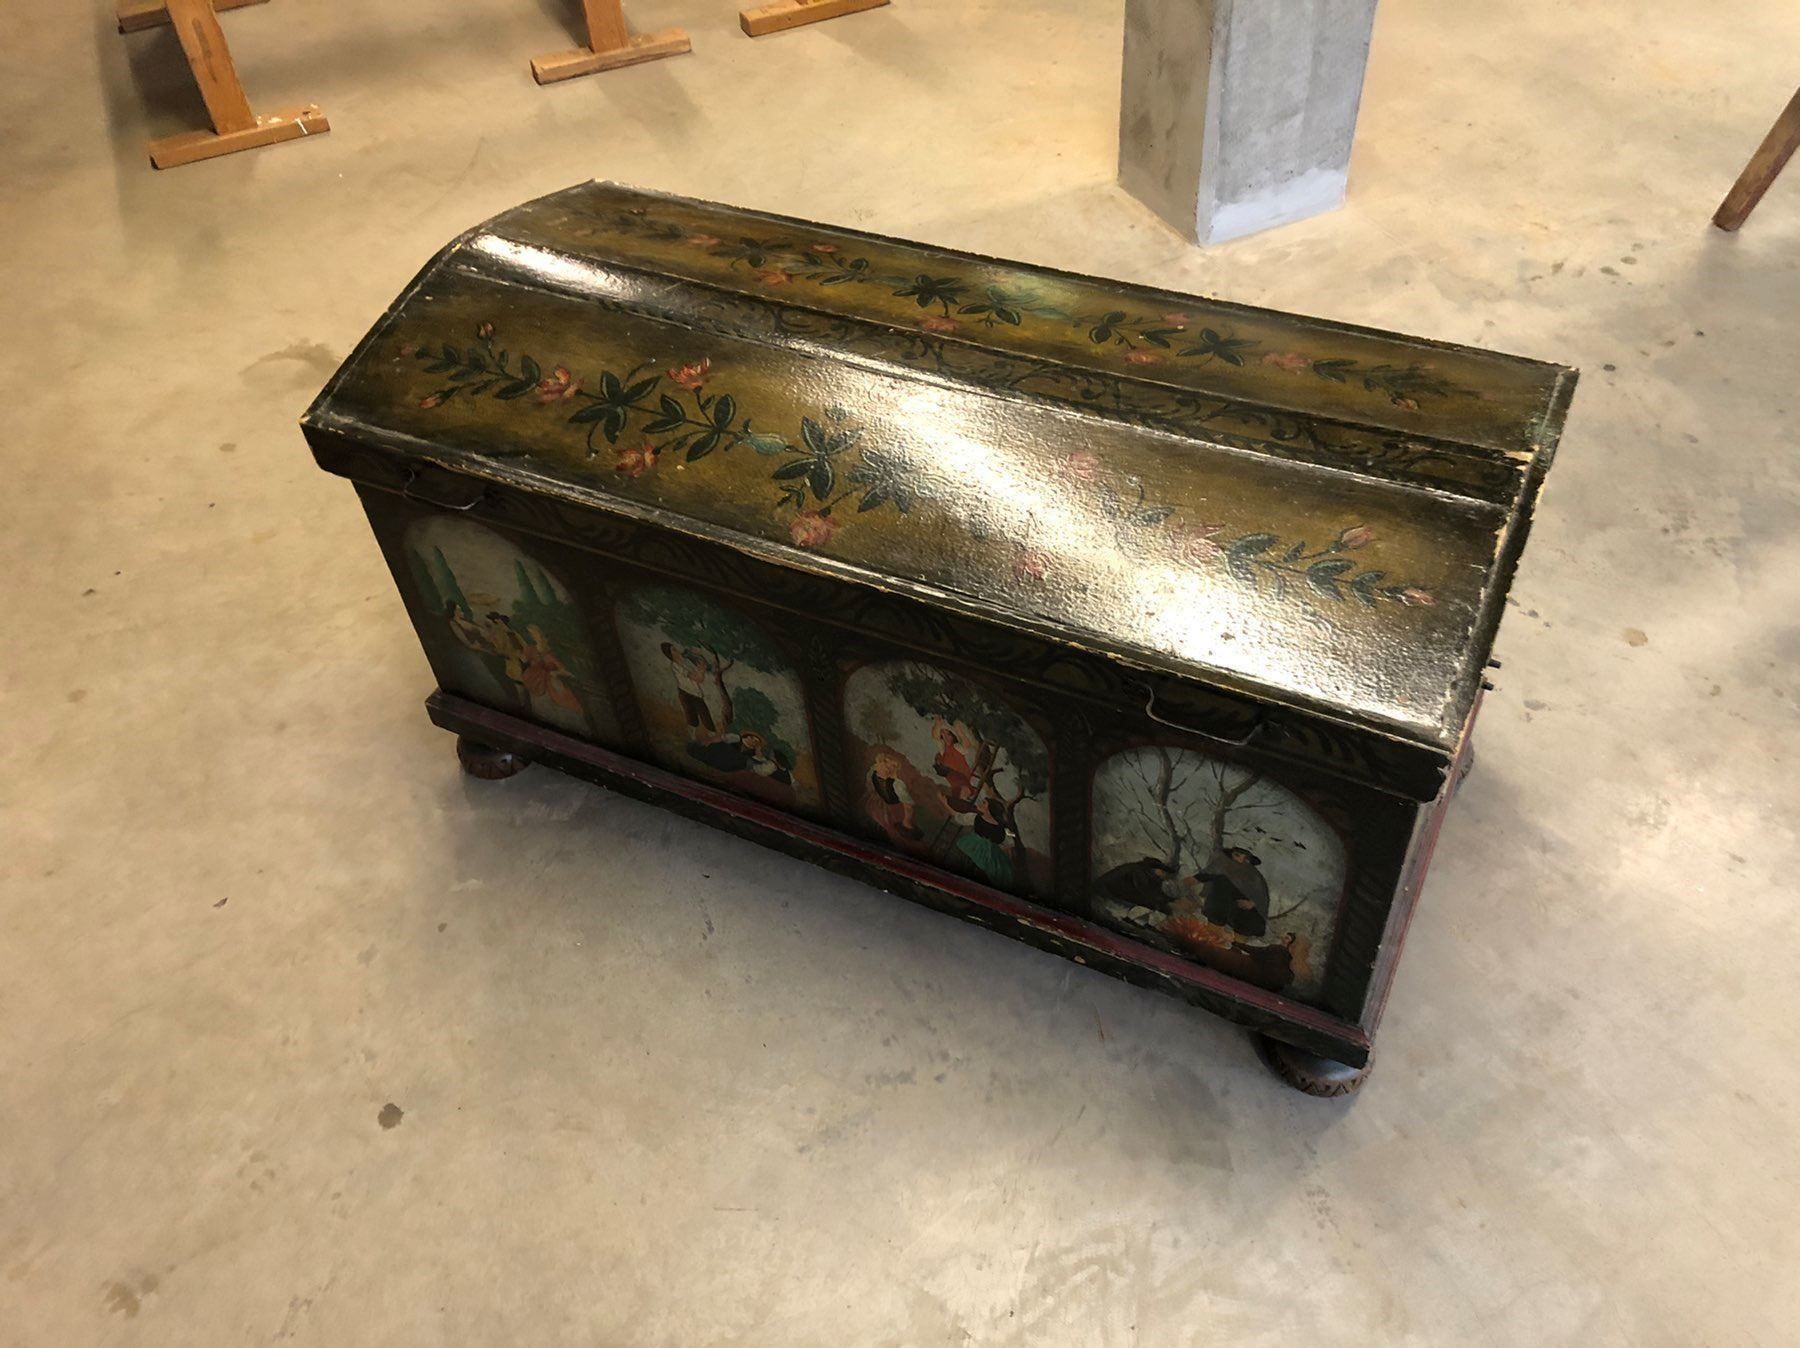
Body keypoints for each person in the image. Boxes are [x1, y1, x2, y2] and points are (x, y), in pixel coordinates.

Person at [1192, 846, 1270, 939]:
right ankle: (1212, 931)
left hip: (1244, 910)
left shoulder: (1255, 876)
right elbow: (1206, 875)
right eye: (1237, 855)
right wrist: (1191, 881)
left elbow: (1262, 897)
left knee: (1247, 923)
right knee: (1222, 885)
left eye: (1245, 858)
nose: (1240, 860)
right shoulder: (1223, 867)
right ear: (1231, 855)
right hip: (1223, 906)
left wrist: (1252, 903)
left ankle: (1239, 941)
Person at [952, 791, 1015, 889]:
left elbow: (1011, 840)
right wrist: (944, 803)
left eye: (984, 803)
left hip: (991, 852)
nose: (981, 804)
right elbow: (959, 818)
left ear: (989, 809)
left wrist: (1004, 848)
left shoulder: (1002, 827)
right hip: (975, 844)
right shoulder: (976, 817)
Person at [661, 641, 714, 737]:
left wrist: (701, 670)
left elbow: (700, 679)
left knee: (704, 713)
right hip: (685, 693)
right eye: (673, 650)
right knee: (690, 714)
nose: (677, 651)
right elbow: (695, 677)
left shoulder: (687, 661)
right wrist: (701, 670)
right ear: (670, 655)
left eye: (675, 649)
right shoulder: (675, 666)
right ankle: (692, 734)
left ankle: (711, 732)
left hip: (696, 693)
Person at [867, 752, 922, 841]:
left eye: (894, 767)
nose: (890, 768)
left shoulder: (897, 784)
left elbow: (908, 807)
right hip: (887, 808)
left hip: (895, 809)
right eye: (888, 764)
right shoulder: (875, 773)